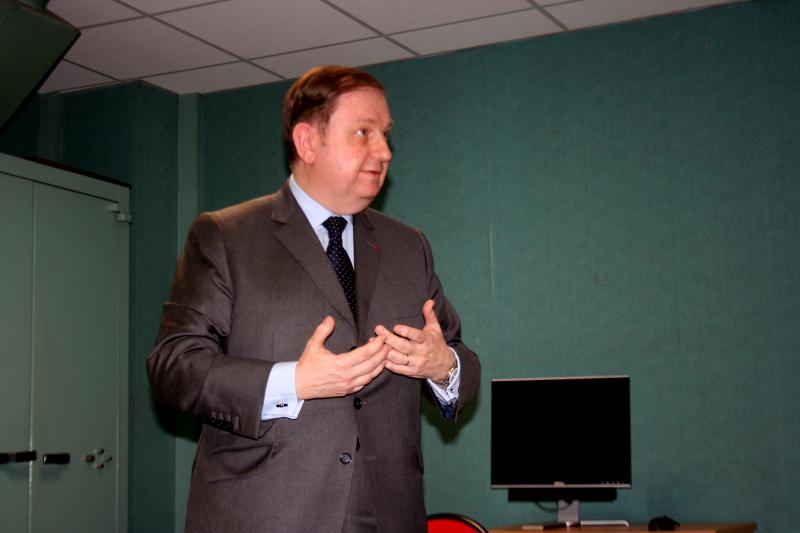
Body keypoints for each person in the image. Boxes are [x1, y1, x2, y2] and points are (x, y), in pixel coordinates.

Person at [147, 65, 480, 533]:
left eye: (385, 135)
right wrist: (294, 382)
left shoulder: (409, 246)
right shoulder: (225, 236)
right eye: (363, 133)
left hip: (389, 516)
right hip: (267, 516)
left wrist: (443, 366)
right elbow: (174, 367)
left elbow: (462, 362)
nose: (384, 152)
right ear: (307, 142)